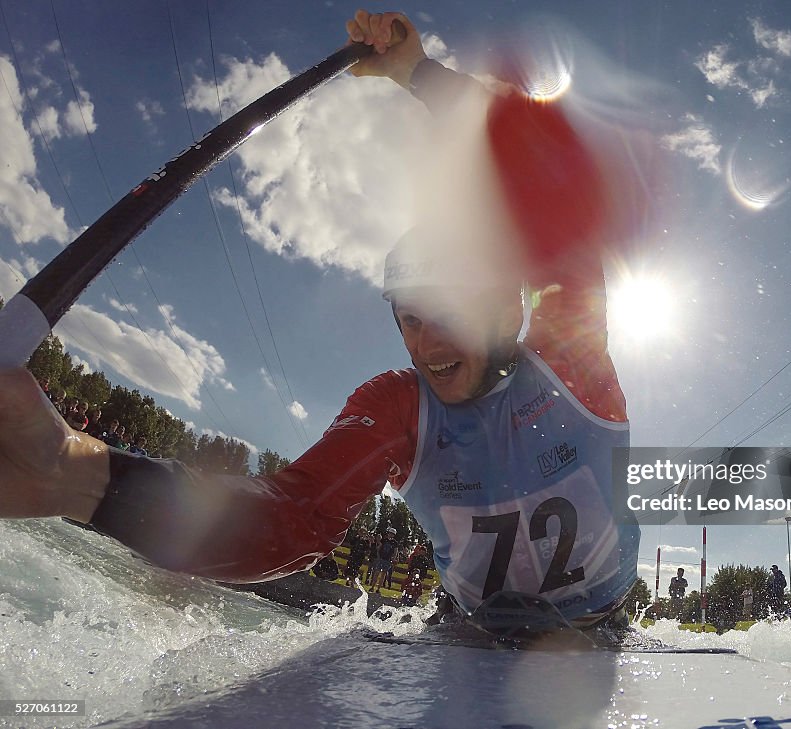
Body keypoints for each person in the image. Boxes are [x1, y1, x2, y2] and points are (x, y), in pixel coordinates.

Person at [0, 10, 640, 631]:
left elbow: (554, 187)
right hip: (466, 631)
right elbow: (294, 516)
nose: (428, 344)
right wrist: (75, 476)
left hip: (601, 629)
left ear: (509, 306)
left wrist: (420, 73)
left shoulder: (570, 360)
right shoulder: (397, 407)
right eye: (409, 319)